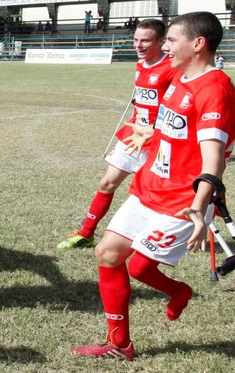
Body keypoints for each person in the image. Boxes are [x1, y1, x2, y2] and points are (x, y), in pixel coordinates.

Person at [73, 11, 235, 360]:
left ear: (198, 43)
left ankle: (179, 291)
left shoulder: (215, 90)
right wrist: (150, 133)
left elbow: (213, 158)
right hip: (148, 188)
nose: (166, 47)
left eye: (172, 40)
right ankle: (120, 345)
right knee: (107, 254)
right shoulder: (180, 79)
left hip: (181, 201)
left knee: (139, 268)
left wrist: (199, 206)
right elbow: (177, 129)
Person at [59, 19, 179, 249]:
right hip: (134, 135)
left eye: (145, 41)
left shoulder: (172, 67)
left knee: (156, 194)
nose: (138, 45)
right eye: (136, 40)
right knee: (107, 183)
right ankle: (86, 233)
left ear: (161, 41)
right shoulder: (140, 64)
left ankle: (169, 236)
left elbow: (175, 105)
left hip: (158, 141)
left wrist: (155, 130)